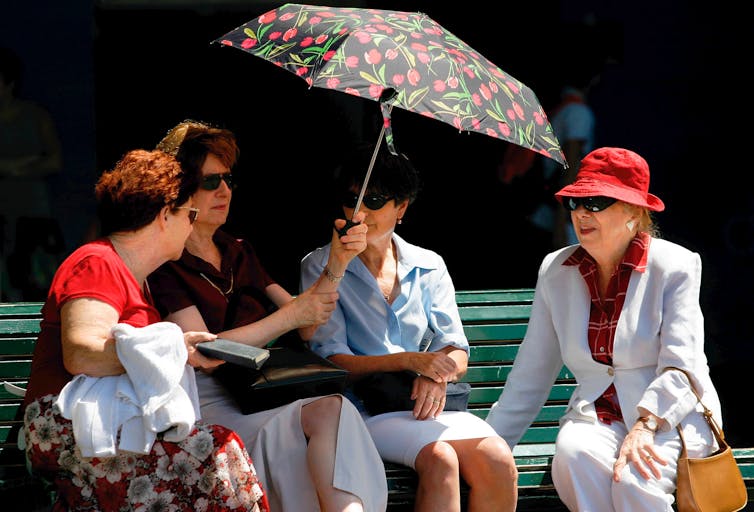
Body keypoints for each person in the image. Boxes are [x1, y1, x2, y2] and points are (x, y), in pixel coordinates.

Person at [147, 120, 388, 512]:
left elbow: (308, 324)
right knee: (326, 418)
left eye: (228, 179)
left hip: (262, 392)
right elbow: (205, 351)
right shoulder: (166, 261)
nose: (225, 190)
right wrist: (290, 317)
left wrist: (339, 260)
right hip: (207, 402)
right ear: (179, 187)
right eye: (211, 181)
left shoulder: (237, 249)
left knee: (333, 407)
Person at [20, 149, 268, 511]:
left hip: (111, 423)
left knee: (220, 449)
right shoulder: (98, 262)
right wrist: (174, 350)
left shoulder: (137, 280)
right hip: (68, 425)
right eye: (190, 214)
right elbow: (81, 352)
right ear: (166, 215)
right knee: (216, 451)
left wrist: (182, 348)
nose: (192, 225)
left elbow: (141, 353)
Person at [485, 147, 723, 511]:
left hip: (668, 414)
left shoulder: (675, 265)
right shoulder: (556, 269)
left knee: (635, 480)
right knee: (574, 456)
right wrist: (488, 447)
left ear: (633, 211)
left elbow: (683, 365)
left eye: (596, 202)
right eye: (575, 203)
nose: (582, 213)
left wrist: (645, 425)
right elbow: (530, 374)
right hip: (597, 416)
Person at [300, 143, 518, 512]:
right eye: (350, 199)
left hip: (428, 405)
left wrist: (437, 375)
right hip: (364, 410)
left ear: (401, 208)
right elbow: (332, 361)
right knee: (441, 459)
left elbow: (455, 348)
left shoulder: (429, 264)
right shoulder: (322, 268)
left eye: (373, 200)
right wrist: (410, 362)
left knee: (498, 458)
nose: (359, 212)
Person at [0, 46, 65, 301]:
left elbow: (54, 160)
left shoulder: (35, 116)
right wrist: (25, 162)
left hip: (32, 210)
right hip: (1, 215)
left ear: (9, 83)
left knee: (37, 277)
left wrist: (13, 168)